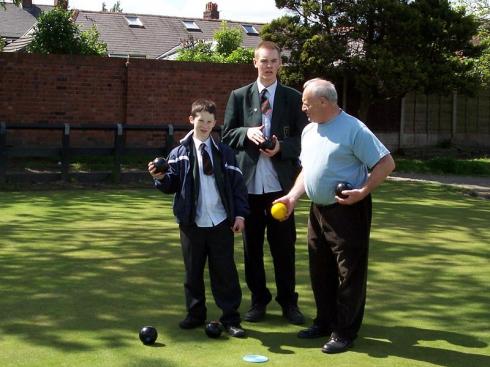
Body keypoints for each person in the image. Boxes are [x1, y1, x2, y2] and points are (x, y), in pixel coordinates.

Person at [275, 78, 395, 353]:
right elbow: (308, 171)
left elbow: (386, 163)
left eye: (306, 103)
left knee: (349, 272)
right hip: (317, 210)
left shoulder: (354, 129)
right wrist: (292, 197)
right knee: (320, 269)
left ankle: (344, 331)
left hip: (348, 210)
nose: (302, 107)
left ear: (324, 102)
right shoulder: (309, 131)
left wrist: (363, 191)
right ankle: (324, 321)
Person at [222, 40, 308, 324]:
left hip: (281, 189)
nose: (268, 66)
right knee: (252, 249)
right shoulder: (238, 96)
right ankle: (259, 300)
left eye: (273, 61)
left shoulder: (294, 98)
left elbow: (305, 139)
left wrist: (281, 147)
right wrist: (247, 133)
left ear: (280, 64)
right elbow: (226, 134)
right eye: (264, 60)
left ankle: (288, 303)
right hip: (248, 188)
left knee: (284, 249)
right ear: (254, 62)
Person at [148, 99, 249, 338]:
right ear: (191, 120)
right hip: (191, 222)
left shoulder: (224, 153)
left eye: (210, 122)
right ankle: (195, 314)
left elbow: (237, 186)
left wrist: (240, 214)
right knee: (192, 271)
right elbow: (171, 184)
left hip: (221, 221)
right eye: (200, 120)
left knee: (225, 272)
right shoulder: (178, 153)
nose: (205, 125)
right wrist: (160, 178)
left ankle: (231, 318)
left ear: (216, 124)